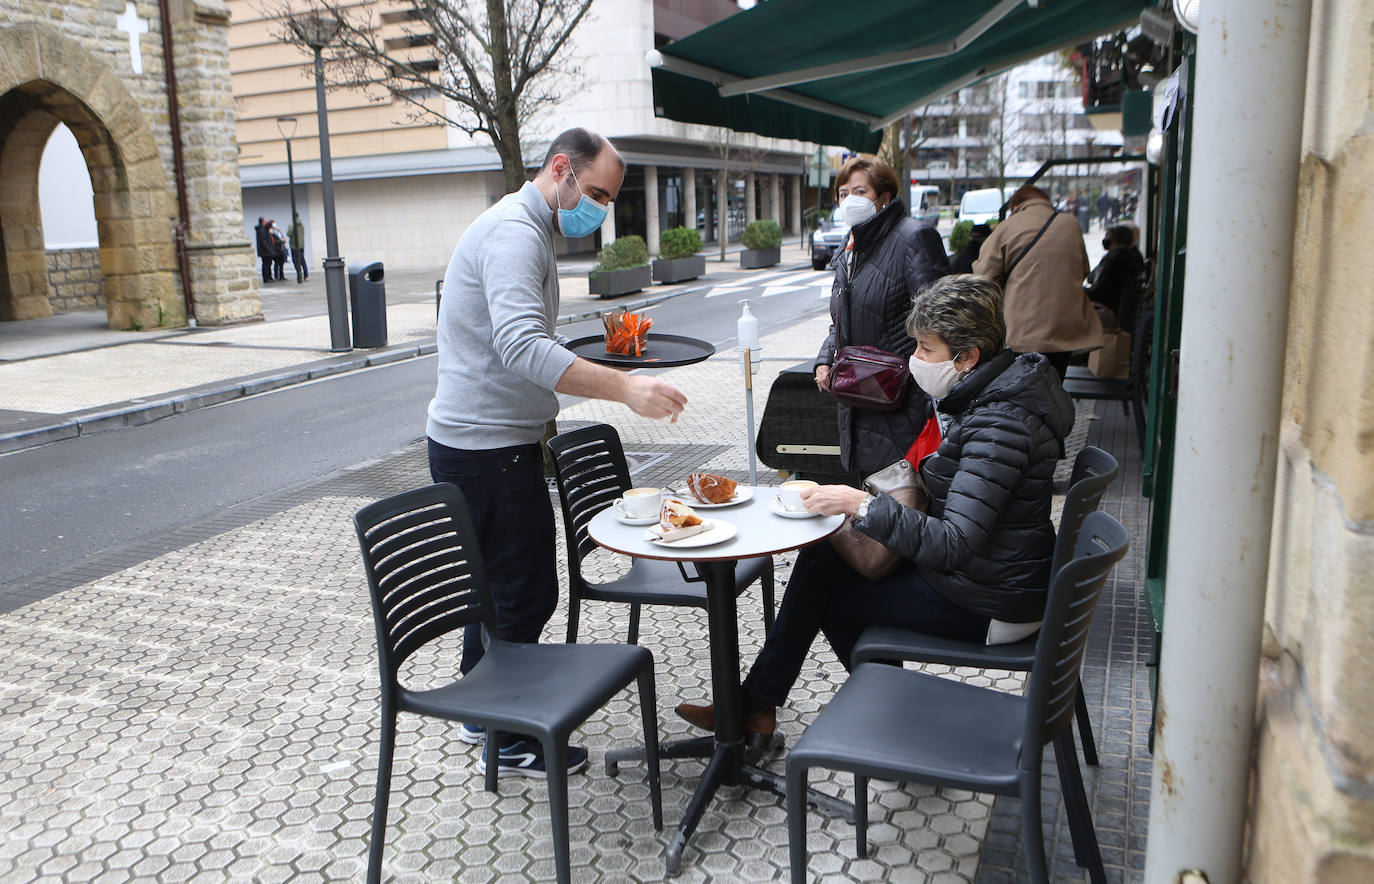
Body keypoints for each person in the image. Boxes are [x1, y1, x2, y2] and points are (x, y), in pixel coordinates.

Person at [676, 274, 1075, 736]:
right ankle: (757, 704)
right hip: (991, 575)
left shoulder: (999, 423)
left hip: (990, 601)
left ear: (967, 357)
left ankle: (899, 722)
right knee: (823, 555)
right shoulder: (994, 395)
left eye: (926, 348)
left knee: (839, 604)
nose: (915, 360)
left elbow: (956, 542)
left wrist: (861, 505)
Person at [427, 127, 687, 777]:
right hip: (490, 449)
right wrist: (625, 387)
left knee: (493, 588)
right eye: (595, 193)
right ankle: (509, 740)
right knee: (525, 593)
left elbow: (518, 339)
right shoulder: (516, 232)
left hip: (475, 442)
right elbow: (520, 347)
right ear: (561, 169)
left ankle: (477, 708)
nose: (599, 210)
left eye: (609, 199)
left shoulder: (520, 227)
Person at [813, 156, 950, 476]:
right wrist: (824, 357)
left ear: (885, 198)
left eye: (859, 191)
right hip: (858, 395)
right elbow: (843, 318)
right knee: (869, 499)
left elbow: (941, 321)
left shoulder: (913, 237)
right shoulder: (852, 248)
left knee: (900, 498)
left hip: (903, 399)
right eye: (843, 193)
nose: (849, 201)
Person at [973, 184, 1102, 379]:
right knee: (1054, 387)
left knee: (1021, 393)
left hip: (1021, 332)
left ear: (1015, 206)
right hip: (1064, 331)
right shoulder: (1070, 224)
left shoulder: (1009, 226)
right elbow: (1084, 271)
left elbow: (983, 278)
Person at [1086, 224, 1146, 325]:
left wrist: (1077, 291)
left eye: (1107, 236)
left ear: (1114, 239)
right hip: (1118, 309)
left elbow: (1097, 292)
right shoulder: (1134, 256)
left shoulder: (1115, 258)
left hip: (1107, 311)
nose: (1105, 239)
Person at [287, 213, 308, 283]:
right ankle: (306, 275)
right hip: (301, 245)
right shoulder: (301, 224)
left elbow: (288, 233)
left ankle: (299, 275)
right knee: (302, 260)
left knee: (295, 261)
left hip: (294, 245)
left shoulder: (292, 225)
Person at [253, 216, 272, 283]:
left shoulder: (263, 229)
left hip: (264, 250)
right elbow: (263, 241)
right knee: (266, 264)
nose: (266, 222)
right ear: (263, 222)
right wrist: (268, 249)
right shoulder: (262, 230)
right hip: (264, 251)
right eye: (265, 221)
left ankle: (268, 277)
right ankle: (267, 278)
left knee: (267, 263)